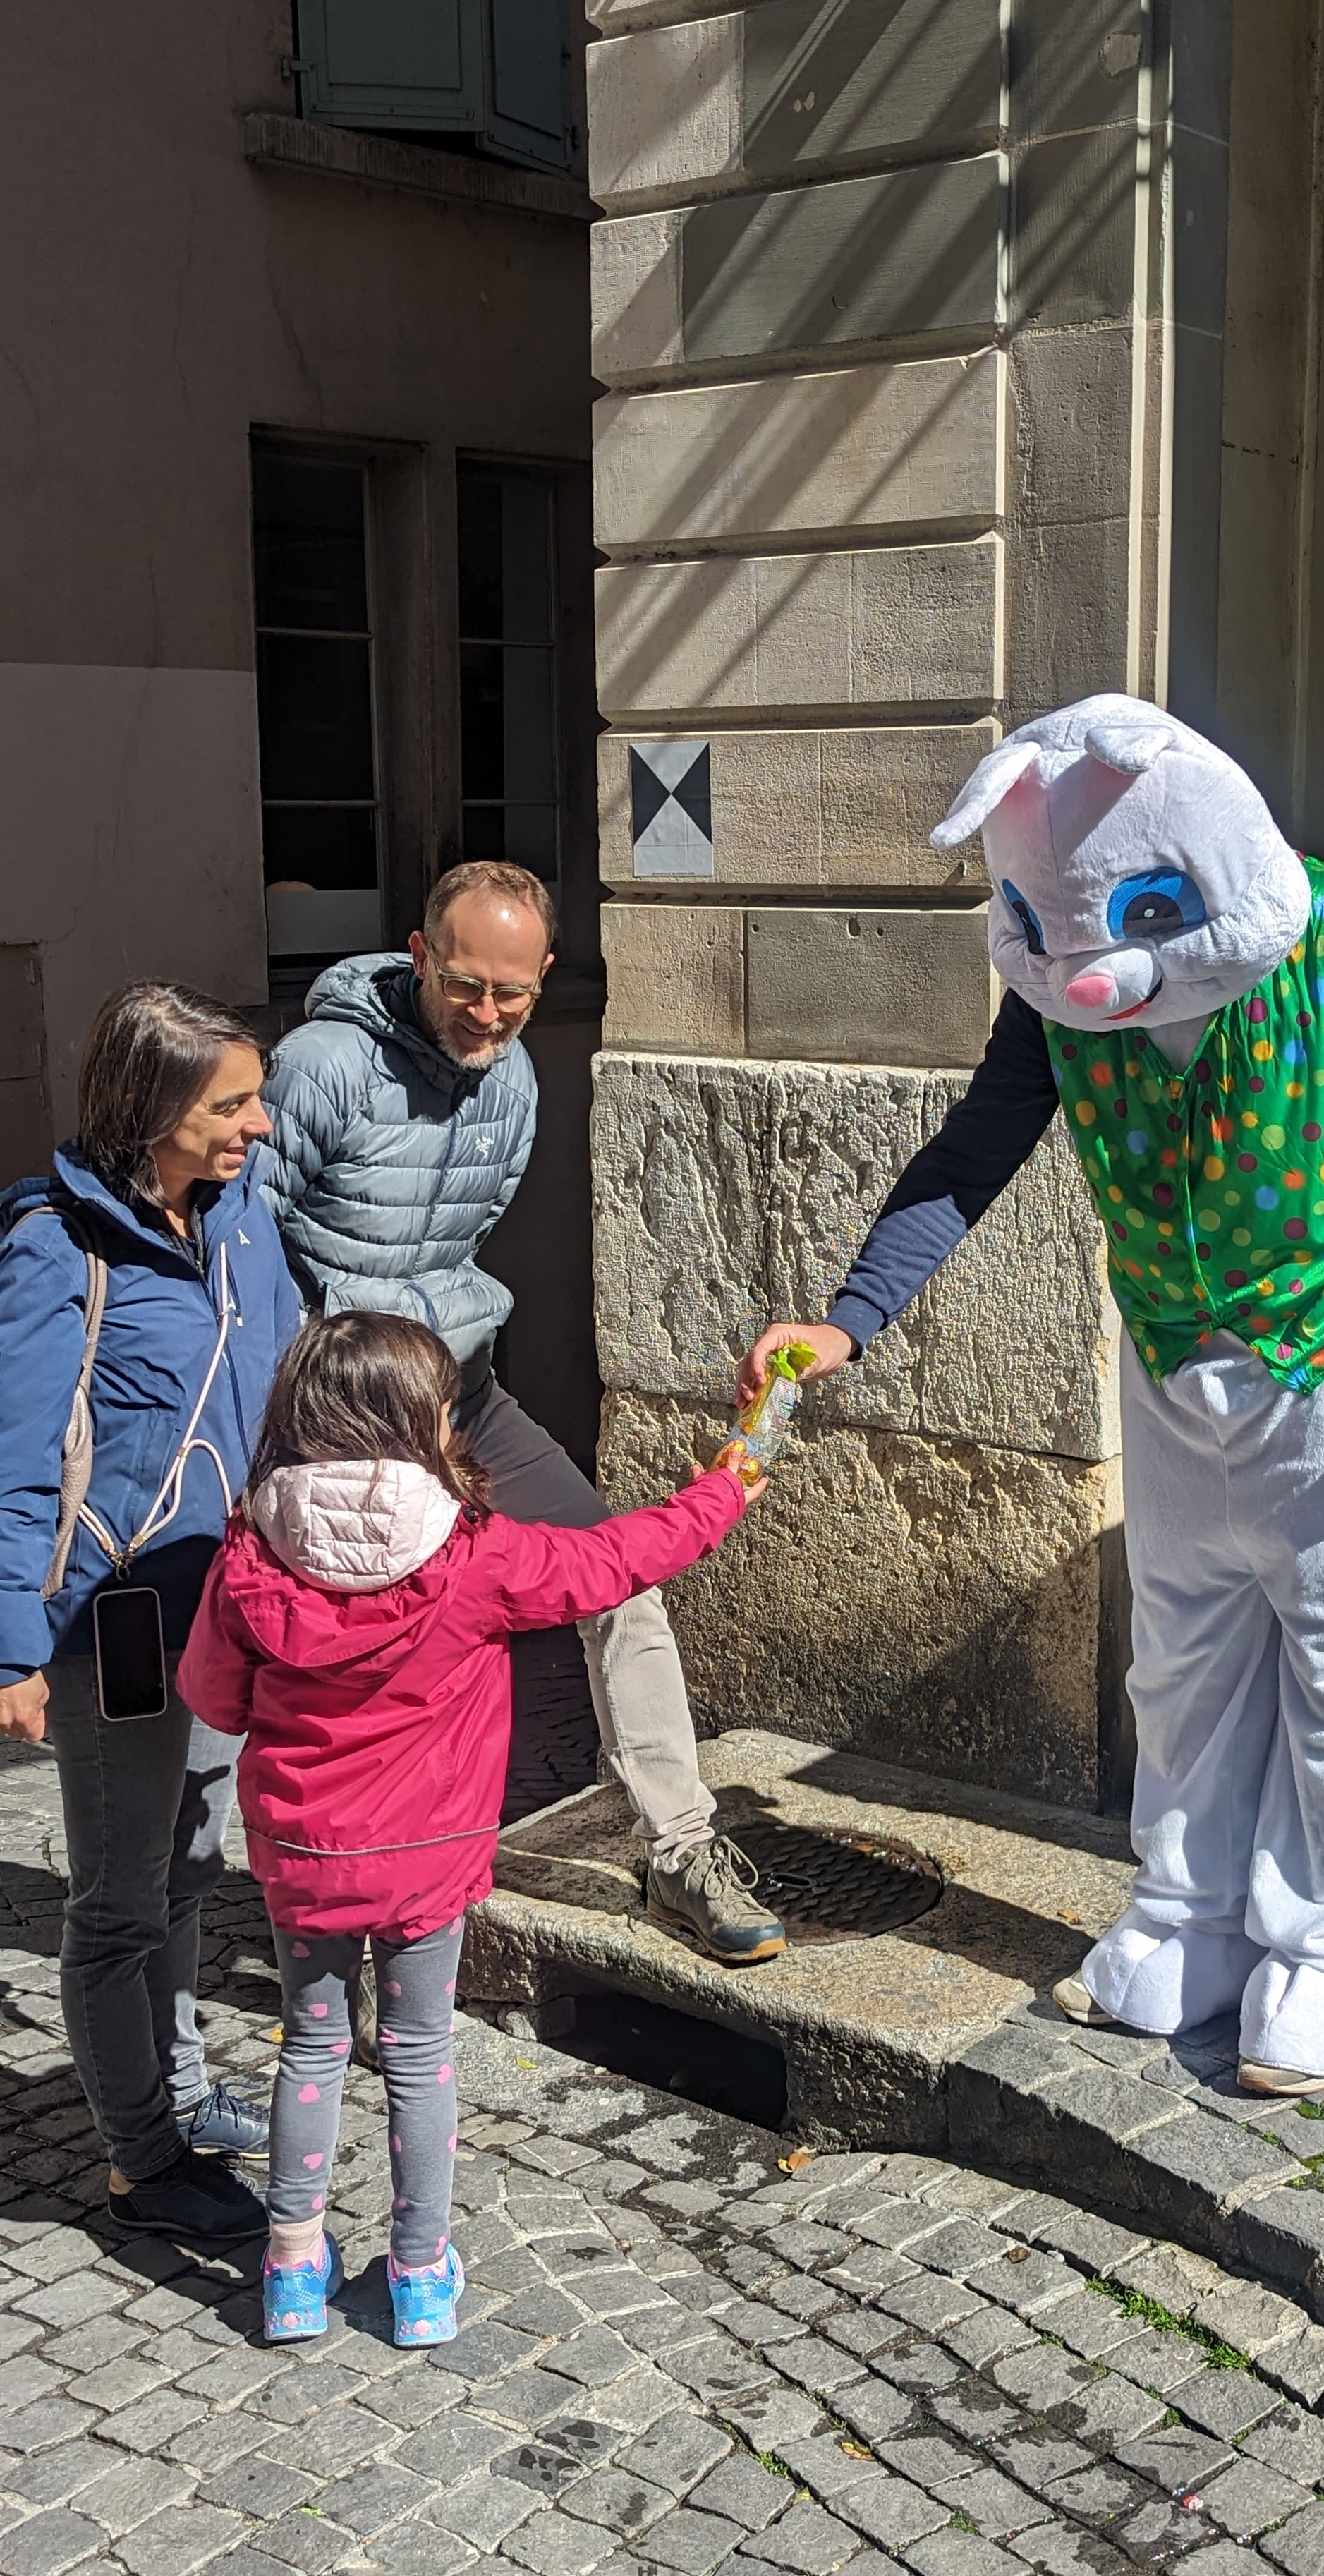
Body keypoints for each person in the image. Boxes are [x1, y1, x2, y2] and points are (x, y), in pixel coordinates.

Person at [743, 694, 1324, 2097]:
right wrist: (850, 1323)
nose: (1091, 977)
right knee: (1184, 1671)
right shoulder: (1054, 977)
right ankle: (1190, 1919)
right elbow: (975, 1154)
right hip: (1175, 1380)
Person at [178, 1310, 762, 2345]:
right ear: (428, 1425)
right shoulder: (474, 1551)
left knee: (312, 2051)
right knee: (417, 2053)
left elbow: (215, 1702)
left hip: (303, 1862)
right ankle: (418, 2277)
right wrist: (722, 1491)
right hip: (426, 1861)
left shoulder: (248, 1553)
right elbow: (615, 1561)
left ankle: (292, 2272)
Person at [257, 859, 784, 1964]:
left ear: (546, 975)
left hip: (466, 1393)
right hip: (346, 1419)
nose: (488, 1013)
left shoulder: (514, 1079)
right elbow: (246, 1245)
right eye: (463, 986)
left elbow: (469, 1233)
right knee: (377, 1659)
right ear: (418, 956)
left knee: (616, 1577)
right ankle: (355, 1916)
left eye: (514, 991)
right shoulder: (323, 1068)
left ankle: (680, 1846)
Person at [0, 984, 302, 2237]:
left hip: (225, 1607)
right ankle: (140, 2163)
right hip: (113, 1620)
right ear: (150, 1111)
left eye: (257, 1097)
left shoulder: (241, 1218)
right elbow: (17, 1455)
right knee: (119, 1901)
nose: (260, 1127)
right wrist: (13, 1647)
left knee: (189, 1870)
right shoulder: (52, 1243)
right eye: (231, 1105)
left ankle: (174, 2091)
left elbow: (287, 1375)